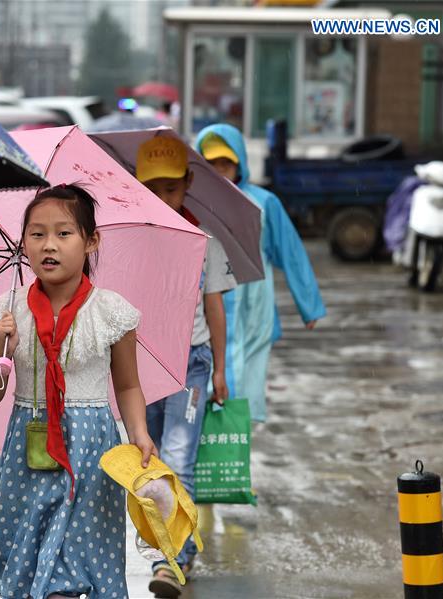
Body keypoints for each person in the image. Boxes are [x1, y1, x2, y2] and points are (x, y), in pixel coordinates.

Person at [0, 184, 158, 599]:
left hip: (91, 452)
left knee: (71, 568)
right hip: (29, 450)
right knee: (32, 559)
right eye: (36, 234)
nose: (48, 245)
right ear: (23, 243)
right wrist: (3, 347)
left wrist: (140, 433)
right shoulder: (8, 310)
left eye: (63, 233)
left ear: (91, 241)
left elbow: (127, 385)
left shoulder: (111, 312)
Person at [135, 136, 237, 597]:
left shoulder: (205, 243)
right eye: (151, 189)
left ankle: (172, 560)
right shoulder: (130, 242)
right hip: (140, 368)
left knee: (179, 459)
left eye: (171, 189)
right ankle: (164, 548)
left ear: (188, 183)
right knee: (151, 461)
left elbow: (214, 308)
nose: (162, 199)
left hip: (191, 367)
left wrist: (218, 369)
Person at [194, 124, 326, 423]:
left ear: (239, 161)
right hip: (209, 297)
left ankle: (240, 434)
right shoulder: (194, 204)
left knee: (248, 366)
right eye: (210, 163)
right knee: (210, 364)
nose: (219, 170)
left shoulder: (265, 203)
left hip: (254, 300)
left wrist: (309, 305)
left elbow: (291, 253)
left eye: (225, 163)